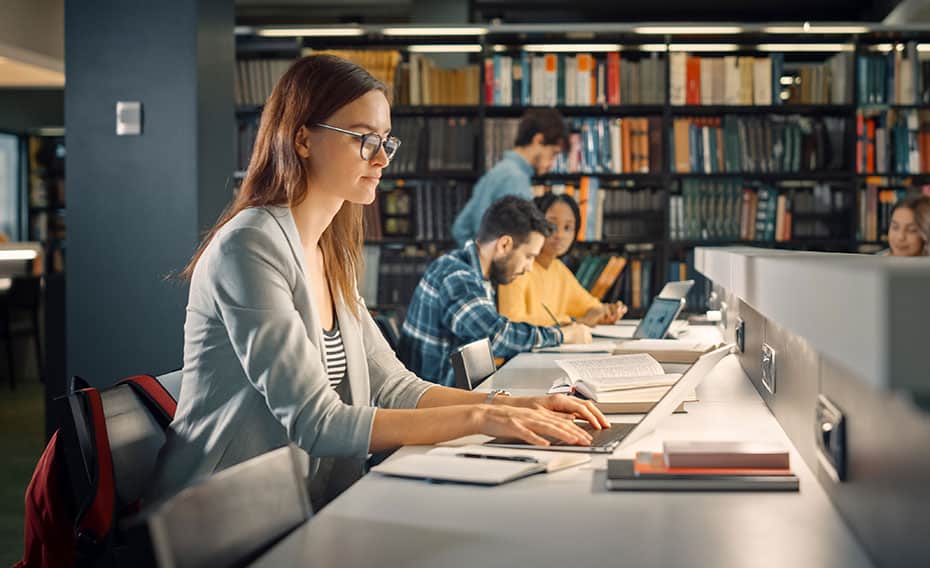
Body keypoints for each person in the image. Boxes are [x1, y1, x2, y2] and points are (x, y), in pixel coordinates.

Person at [153, 55, 608, 510]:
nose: (381, 158)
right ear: (303, 139)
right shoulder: (250, 246)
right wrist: (482, 417)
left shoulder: (330, 250)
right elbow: (317, 421)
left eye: (386, 141)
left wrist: (511, 405)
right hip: (218, 521)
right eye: (365, 139)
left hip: (302, 505)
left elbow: (394, 386)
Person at [401, 195, 593, 387]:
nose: (529, 267)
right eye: (528, 256)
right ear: (504, 245)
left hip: (459, 397)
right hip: (437, 406)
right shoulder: (456, 276)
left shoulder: (477, 275)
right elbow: (495, 336)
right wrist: (562, 335)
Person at [498, 192, 627, 326]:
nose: (560, 235)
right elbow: (511, 322)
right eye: (552, 225)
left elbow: (590, 306)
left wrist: (606, 312)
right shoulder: (516, 267)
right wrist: (571, 321)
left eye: (567, 228)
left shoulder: (558, 269)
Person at [450, 108, 568, 245]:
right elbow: (518, 244)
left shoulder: (500, 171)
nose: (552, 164)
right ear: (538, 140)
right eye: (553, 153)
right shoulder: (515, 179)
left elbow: (460, 228)